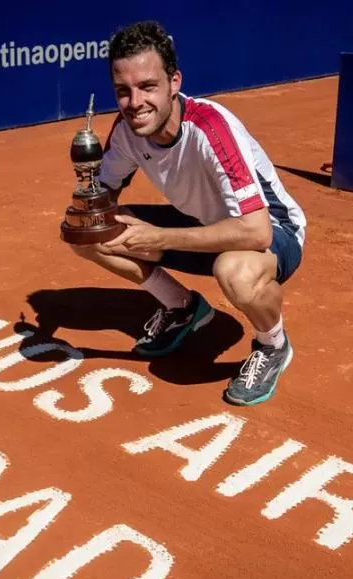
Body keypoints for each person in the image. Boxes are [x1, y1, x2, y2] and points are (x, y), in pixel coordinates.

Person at [70, 20, 307, 406]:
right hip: (202, 225)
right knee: (91, 230)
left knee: (234, 270)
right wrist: (89, 203)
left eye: (148, 87)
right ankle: (183, 307)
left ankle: (273, 344)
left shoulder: (211, 128)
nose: (135, 103)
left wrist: (159, 238)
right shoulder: (127, 130)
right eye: (123, 92)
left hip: (274, 230)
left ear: (174, 82)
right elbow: (101, 198)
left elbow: (257, 232)